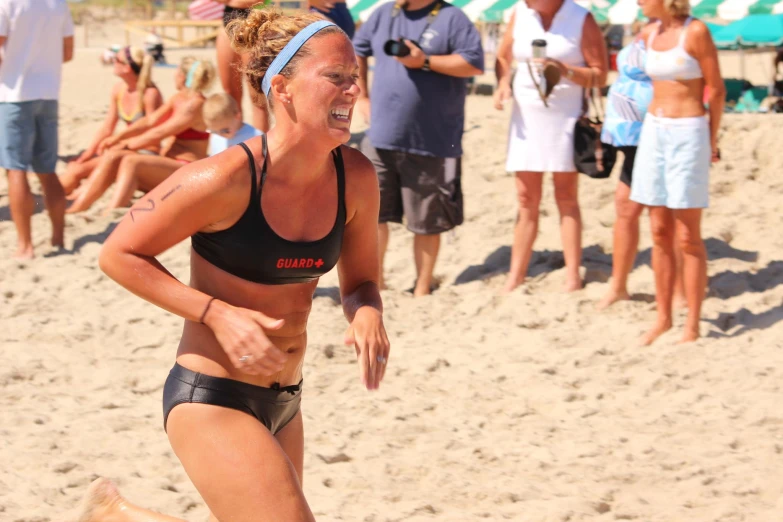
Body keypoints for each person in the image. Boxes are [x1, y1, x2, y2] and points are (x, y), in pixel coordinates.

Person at [70, 10, 389, 521]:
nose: (352, 90)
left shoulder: (355, 176)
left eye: (355, 78)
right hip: (212, 397)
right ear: (281, 87)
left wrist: (366, 310)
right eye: (336, 77)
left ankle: (120, 517)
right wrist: (215, 312)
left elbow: (363, 282)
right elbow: (118, 254)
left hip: (286, 399)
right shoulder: (223, 178)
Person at [354, 0, 484, 296]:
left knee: (427, 222)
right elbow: (357, 49)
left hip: (433, 140)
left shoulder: (453, 18)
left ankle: (422, 288)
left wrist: (425, 61)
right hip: (380, 136)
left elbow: (474, 63)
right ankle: (377, 282)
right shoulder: (384, 12)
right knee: (373, 217)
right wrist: (361, 94)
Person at [494, 0, 608, 293]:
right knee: (525, 198)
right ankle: (516, 275)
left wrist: (564, 70)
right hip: (526, 120)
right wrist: (503, 82)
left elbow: (600, 74)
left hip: (565, 119)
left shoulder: (581, 17)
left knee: (566, 196)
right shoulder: (521, 12)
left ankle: (572, 274)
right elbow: (504, 57)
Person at [631, 0, 724, 345]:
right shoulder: (648, 33)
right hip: (654, 130)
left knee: (688, 235)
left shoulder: (696, 31)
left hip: (688, 131)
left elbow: (716, 89)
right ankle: (663, 317)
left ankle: (693, 323)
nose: (638, 2)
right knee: (658, 230)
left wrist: (711, 138)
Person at [66, 57, 216, 214]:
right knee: (114, 155)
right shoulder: (178, 98)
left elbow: (160, 132)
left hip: (186, 170)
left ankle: (111, 212)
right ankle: (80, 204)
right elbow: (150, 121)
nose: (174, 75)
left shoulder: (195, 103)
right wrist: (118, 138)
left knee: (131, 161)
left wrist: (127, 144)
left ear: (182, 76)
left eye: (176, 72)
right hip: (168, 164)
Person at [0, 0, 73, 259]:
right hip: (48, 93)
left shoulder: (8, 3)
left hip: (15, 95)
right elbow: (67, 53)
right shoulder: (58, 4)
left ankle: (25, 246)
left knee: (15, 169)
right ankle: (58, 237)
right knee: (47, 170)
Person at [596, 30, 653, 309]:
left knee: (662, 215)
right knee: (625, 205)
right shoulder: (642, 30)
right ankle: (618, 286)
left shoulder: (679, 33)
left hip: (658, 132)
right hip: (631, 134)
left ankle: (678, 290)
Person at [59, 46, 164, 196]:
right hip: (123, 148)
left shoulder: (150, 94)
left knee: (79, 170)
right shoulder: (119, 89)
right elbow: (107, 127)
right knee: (76, 166)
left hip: (145, 152)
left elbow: (153, 132)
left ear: (127, 68)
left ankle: (58, 200)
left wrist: (122, 144)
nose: (112, 61)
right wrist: (88, 153)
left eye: (117, 60)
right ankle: (57, 199)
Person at [213, 0, 270, 132]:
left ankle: (261, 146)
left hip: (254, 22)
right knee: (230, 94)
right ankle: (238, 142)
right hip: (228, 21)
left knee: (257, 97)